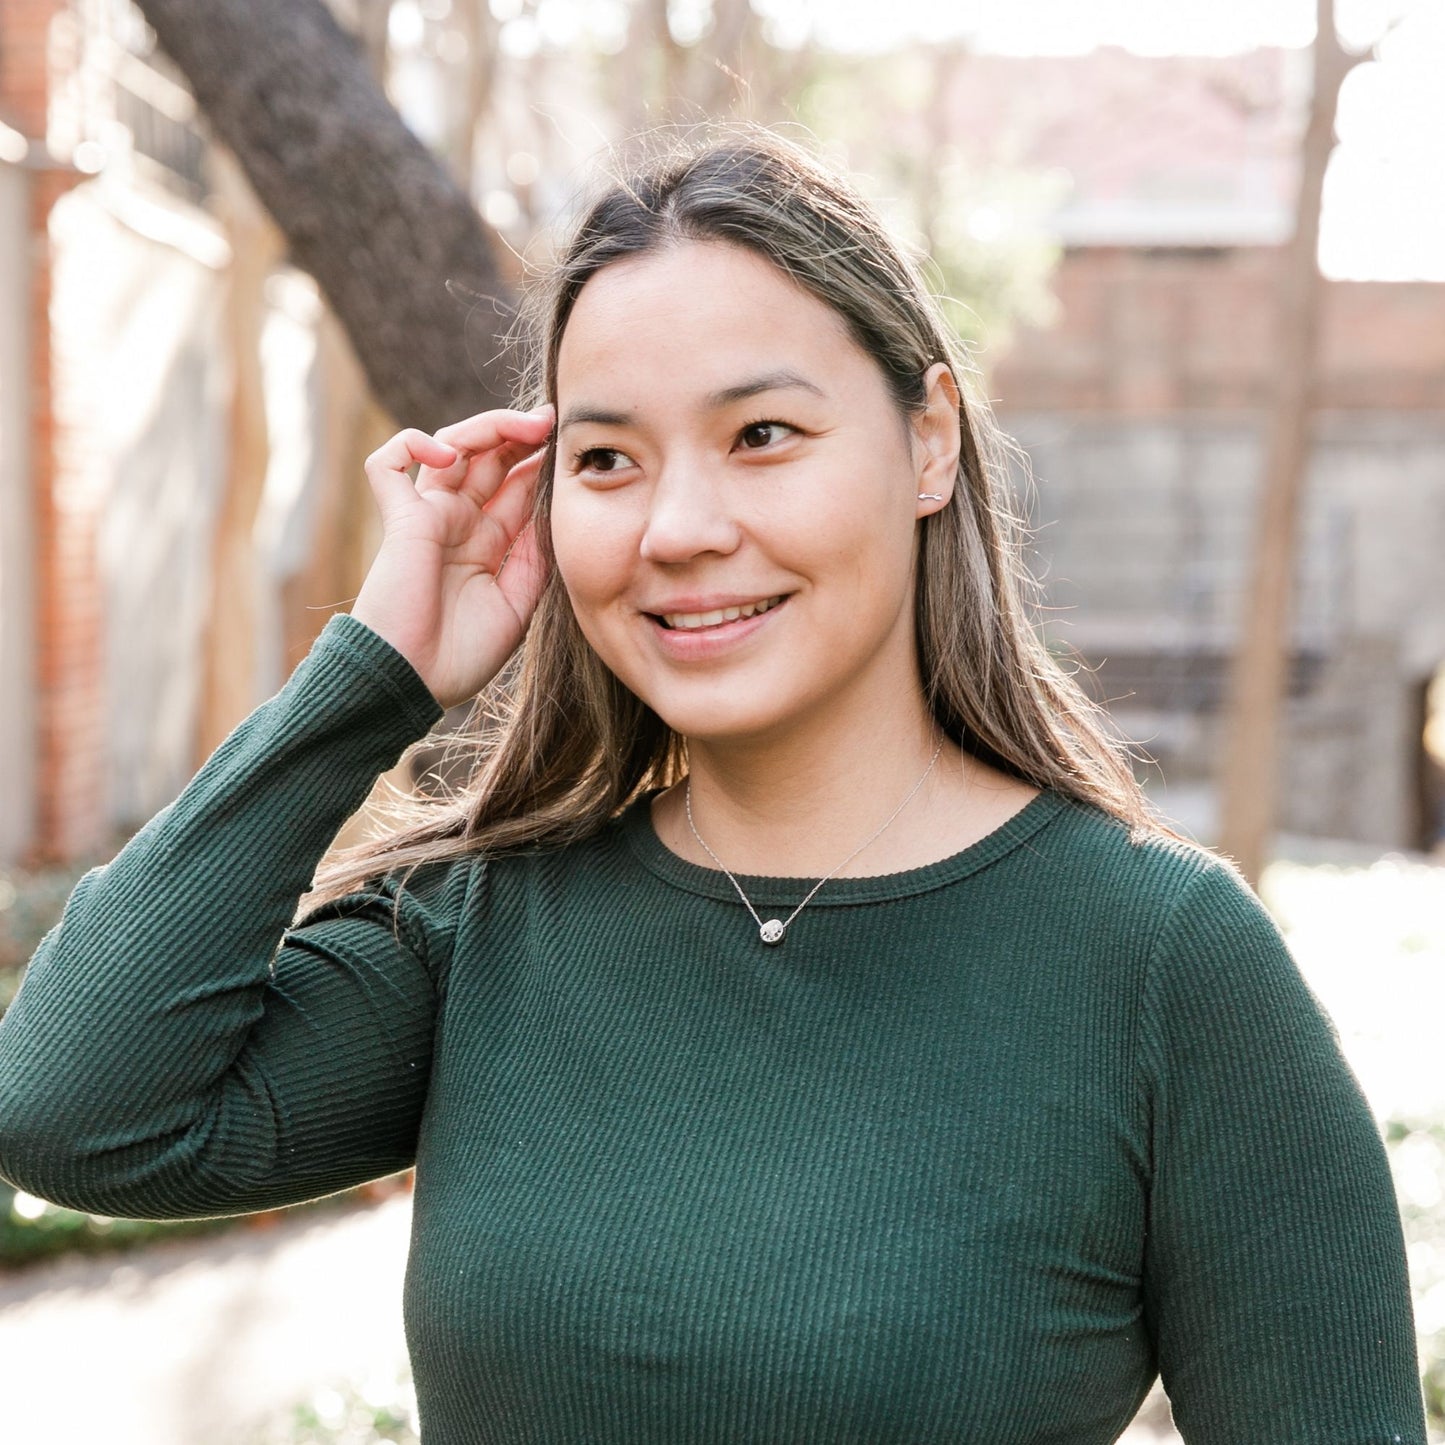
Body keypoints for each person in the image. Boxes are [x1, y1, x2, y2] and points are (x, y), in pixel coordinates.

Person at [0, 125, 1426, 1443]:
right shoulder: (483, 928)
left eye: (760, 436)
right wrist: (374, 672)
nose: (679, 527)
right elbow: (77, 1111)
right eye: (608, 457)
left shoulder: (1166, 966)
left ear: (927, 440)